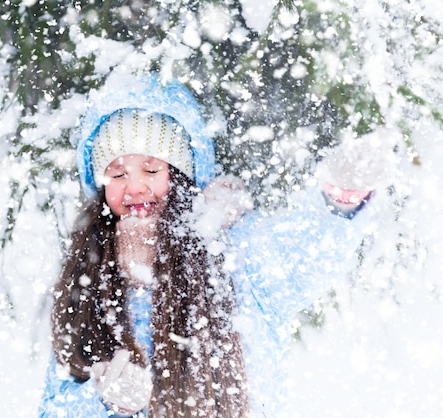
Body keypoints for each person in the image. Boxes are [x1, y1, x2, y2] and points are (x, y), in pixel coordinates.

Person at [38, 73, 391, 418]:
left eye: (151, 170)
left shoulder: (231, 253)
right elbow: (53, 407)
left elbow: (301, 256)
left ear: (180, 175)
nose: (134, 188)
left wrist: (339, 199)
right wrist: (104, 404)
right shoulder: (89, 278)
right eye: (117, 174)